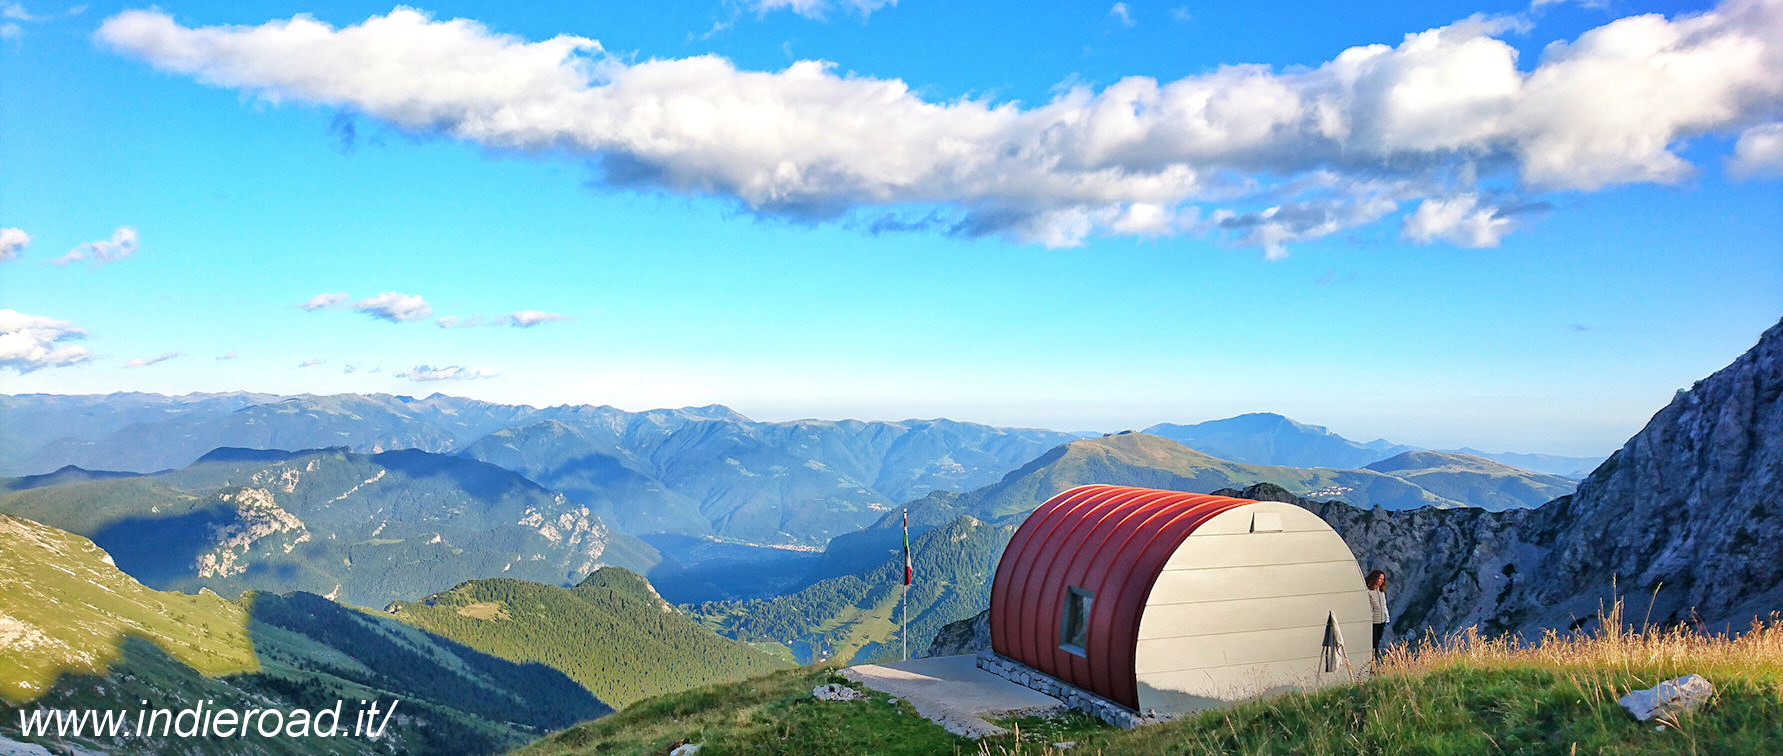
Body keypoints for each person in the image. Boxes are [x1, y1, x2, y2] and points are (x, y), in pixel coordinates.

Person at [1366, 570, 1389, 652]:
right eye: (1380, 579)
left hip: (1381, 621)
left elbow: (1384, 605)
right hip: (1373, 622)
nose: (1382, 581)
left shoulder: (1381, 591)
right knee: (1373, 643)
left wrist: (1387, 619)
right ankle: (1373, 659)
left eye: (1383, 579)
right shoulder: (1368, 591)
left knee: (1377, 642)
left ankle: (1374, 658)